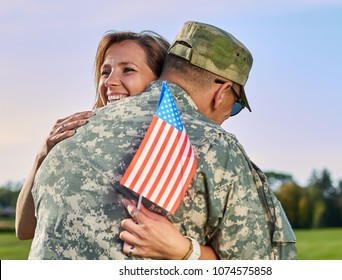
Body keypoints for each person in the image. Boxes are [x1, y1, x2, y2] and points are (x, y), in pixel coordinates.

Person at [28, 21, 297, 260]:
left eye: (128, 70)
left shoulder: (70, 133)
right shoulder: (214, 144)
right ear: (223, 92)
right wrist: (190, 253)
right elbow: (260, 266)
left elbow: (29, 230)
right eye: (235, 106)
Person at [16, 29, 218, 259]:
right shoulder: (75, 138)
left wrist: (185, 251)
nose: (110, 82)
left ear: (158, 82)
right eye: (105, 72)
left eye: (128, 70)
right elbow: (24, 230)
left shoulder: (180, 146)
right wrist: (42, 155)